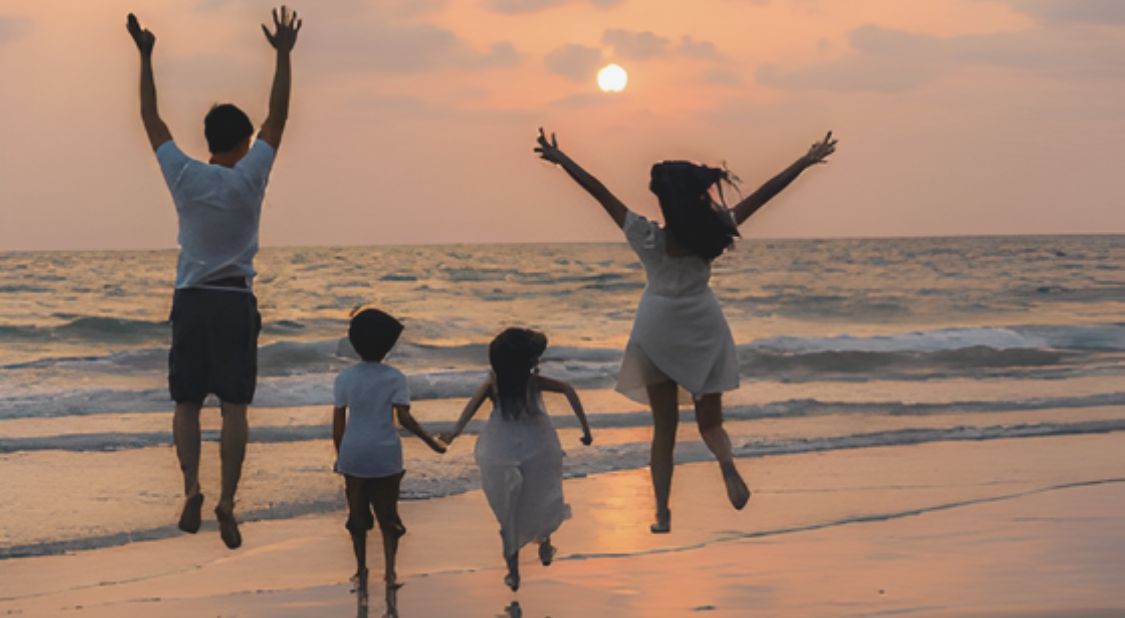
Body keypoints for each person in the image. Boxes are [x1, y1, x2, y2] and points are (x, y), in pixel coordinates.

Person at [534, 127, 837, 533]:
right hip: (703, 325)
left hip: (657, 329)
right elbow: (765, 194)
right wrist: (805, 160)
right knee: (711, 423)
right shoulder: (714, 228)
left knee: (664, 432)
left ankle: (662, 513)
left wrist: (561, 158)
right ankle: (727, 466)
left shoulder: (647, 236)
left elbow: (598, 191)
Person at [126, 6, 302, 549]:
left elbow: (150, 120)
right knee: (234, 409)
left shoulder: (184, 173)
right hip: (233, 301)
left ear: (207, 139)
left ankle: (190, 489)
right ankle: (227, 500)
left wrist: (146, 56)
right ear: (244, 141)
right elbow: (280, 116)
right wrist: (282, 55)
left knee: (185, 404)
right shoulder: (252, 174)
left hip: (191, 300)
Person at [441, 328, 593, 591]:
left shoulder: (500, 383)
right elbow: (568, 390)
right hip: (532, 443)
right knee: (536, 495)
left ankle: (523, 561)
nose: (537, 362)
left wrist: (454, 434)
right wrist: (585, 430)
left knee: (515, 506)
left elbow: (469, 409)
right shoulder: (516, 383)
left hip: (510, 445)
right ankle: (536, 549)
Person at [333, 308, 447, 602]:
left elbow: (339, 423)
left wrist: (340, 455)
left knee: (357, 518)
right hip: (385, 453)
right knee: (388, 516)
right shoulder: (395, 377)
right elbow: (405, 419)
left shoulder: (345, 378)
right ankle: (391, 570)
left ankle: (361, 569)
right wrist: (431, 442)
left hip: (354, 453)